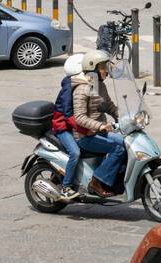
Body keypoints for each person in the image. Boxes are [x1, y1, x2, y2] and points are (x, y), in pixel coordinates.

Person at [71, 50, 127, 197]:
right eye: (102, 67)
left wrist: (125, 116)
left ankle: (115, 181)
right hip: (85, 136)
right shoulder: (82, 89)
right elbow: (80, 117)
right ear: (92, 68)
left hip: (100, 132)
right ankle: (96, 181)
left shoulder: (100, 85)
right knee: (118, 149)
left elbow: (108, 105)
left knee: (127, 144)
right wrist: (101, 126)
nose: (106, 70)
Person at [52, 53, 85, 200]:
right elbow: (68, 114)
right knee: (75, 152)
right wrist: (83, 128)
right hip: (62, 128)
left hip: (72, 126)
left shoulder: (80, 83)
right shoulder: (69, 86)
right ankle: (66, 187)